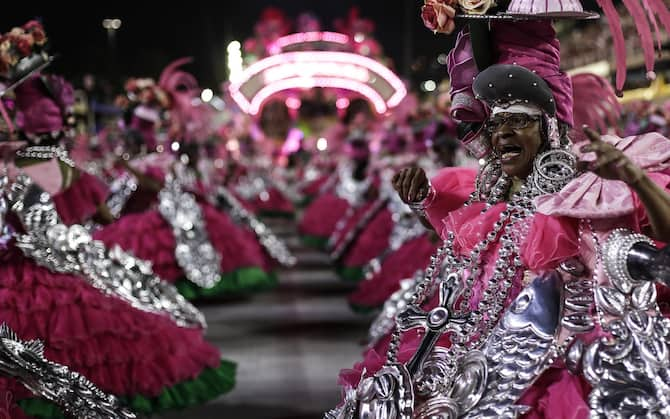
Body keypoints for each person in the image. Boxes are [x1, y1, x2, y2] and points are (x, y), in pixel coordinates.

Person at [329, 45, 670, 419]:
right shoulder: (488, 193)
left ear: (549, 128)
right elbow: (460, 241)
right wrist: (424, 199)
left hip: (550, 362)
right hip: (473, 354)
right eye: (495, 123)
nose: (502, 132)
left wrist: (635, 180)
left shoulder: (584, 190)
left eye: (519, 121)